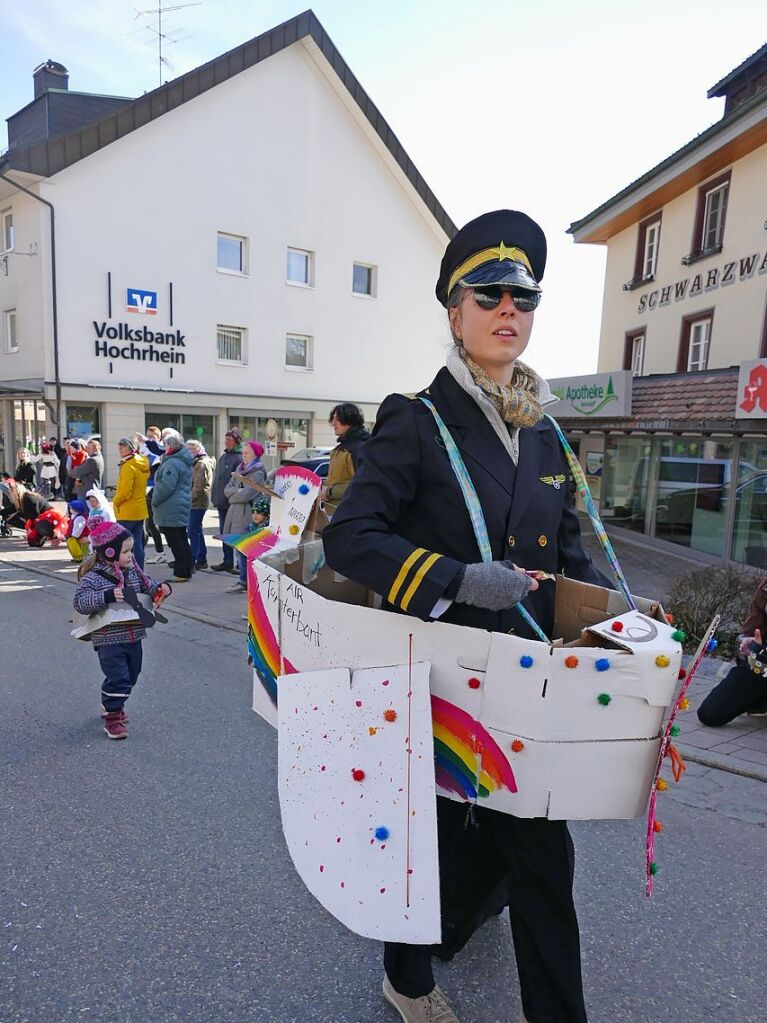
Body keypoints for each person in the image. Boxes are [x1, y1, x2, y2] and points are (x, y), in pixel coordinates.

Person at [323, 211, 610, 1023]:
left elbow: (568, 555)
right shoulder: (415, 417)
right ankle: (406, 979)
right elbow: (351, 536)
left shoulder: (547, 432)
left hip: (526, 683)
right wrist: (454, 578)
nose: (508, 309)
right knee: (429, 836)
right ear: (454, 313)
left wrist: (612, 624)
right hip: (437, 678)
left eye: (523, 296)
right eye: (488, 294)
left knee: (544, 857)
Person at [72, 521, 170, 740]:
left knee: (132, 675)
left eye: (131, 550)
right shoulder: (93, 577)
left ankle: (114, 703)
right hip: (108, 638)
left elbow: (148, 586)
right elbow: (80, 603)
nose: (130, 555)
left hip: (134, 634)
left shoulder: (132, 572)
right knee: (118, 677)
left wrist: (161, 588)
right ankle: (112, 716)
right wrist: (106, 596)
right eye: (125, 551)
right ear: (109, 551)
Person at [697, 578, 767, 725]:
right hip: (763, 667)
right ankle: (760, 702)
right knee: (710, 713)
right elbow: (750, 632)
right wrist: (749, 644)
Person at [223, 440, 267, 593]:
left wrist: (234, 494)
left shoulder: (258, 472)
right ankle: (243, 580)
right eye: (243, 453)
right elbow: (226, 490)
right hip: (235, 513)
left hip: (247, 513)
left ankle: (246, 581)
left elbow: (247, 494)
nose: (244, 456)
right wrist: (236, 492)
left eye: (247, 453)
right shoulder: (239, 469)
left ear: (256, 454)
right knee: (239, 547)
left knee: (246, 549)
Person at [151, 429, 194, 582]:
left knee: (175, 540)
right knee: (181, 537)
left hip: (171, 506)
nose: (164, 447)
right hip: (179, 504)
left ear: (170, 446)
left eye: (165, 444)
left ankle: (181, 571)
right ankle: (188, 566)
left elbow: (166, 487)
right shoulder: (182, 460)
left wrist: (154, 499)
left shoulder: (173, 463)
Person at [321, 403, 370, 512]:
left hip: (348, 513)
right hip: (335, 511)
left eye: (338, 419)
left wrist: (330, 492)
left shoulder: (358, 449)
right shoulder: (341, 448)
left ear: (350, 420)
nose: (333, 423)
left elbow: (362, 484)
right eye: (333, 419)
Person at [112, 436, 149, 569]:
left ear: (131, 448)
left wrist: (115, 501)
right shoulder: (140, 463)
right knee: (137, 544)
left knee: (122, 544)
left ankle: (125, 572)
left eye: (123, 446)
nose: (120, 449)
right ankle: (140, 572)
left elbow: (125, 492)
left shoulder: (128, 466)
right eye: (119, 446)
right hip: (139, 510)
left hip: (127, 511)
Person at [210, 428, 243, 573]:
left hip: (231, 503)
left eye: (230, 440)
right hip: (220, 503)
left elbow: (236, 482)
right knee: (224, 532)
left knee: (234, 533)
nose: (226, 442)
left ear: (236, 441)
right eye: (226, 439)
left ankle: (238, 563)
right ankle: (227, 560)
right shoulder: (223, 457)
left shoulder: (239, 458)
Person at [136, 426, 167, 563]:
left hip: (152, 490)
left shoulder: (159, 453)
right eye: (148, 436)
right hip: (143, 489)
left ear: (159, 438)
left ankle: (160, 552)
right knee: (145, 524)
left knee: (151, 523)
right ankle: (145, 551)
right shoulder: (144, 451)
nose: (149, 439)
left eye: (153, 437)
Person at [186, 439, 215, 570]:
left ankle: (194, 559)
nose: (188, 452)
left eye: (190, 450)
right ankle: (201, 558)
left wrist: (187, 499)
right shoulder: (196, 462)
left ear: (197, 450)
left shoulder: (201, 464)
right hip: (196, 502)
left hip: (197, 503)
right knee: (196, 530)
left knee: (193, 531)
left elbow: (198, 487)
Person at [69, 439, 104, 503]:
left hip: (87, 493)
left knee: (84, 512)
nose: (87, 450)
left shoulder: (92, 460)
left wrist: (73, 470)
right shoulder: (99, 458)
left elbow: (76, 472)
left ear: (95, 449)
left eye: (89, 448)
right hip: (90, 492)